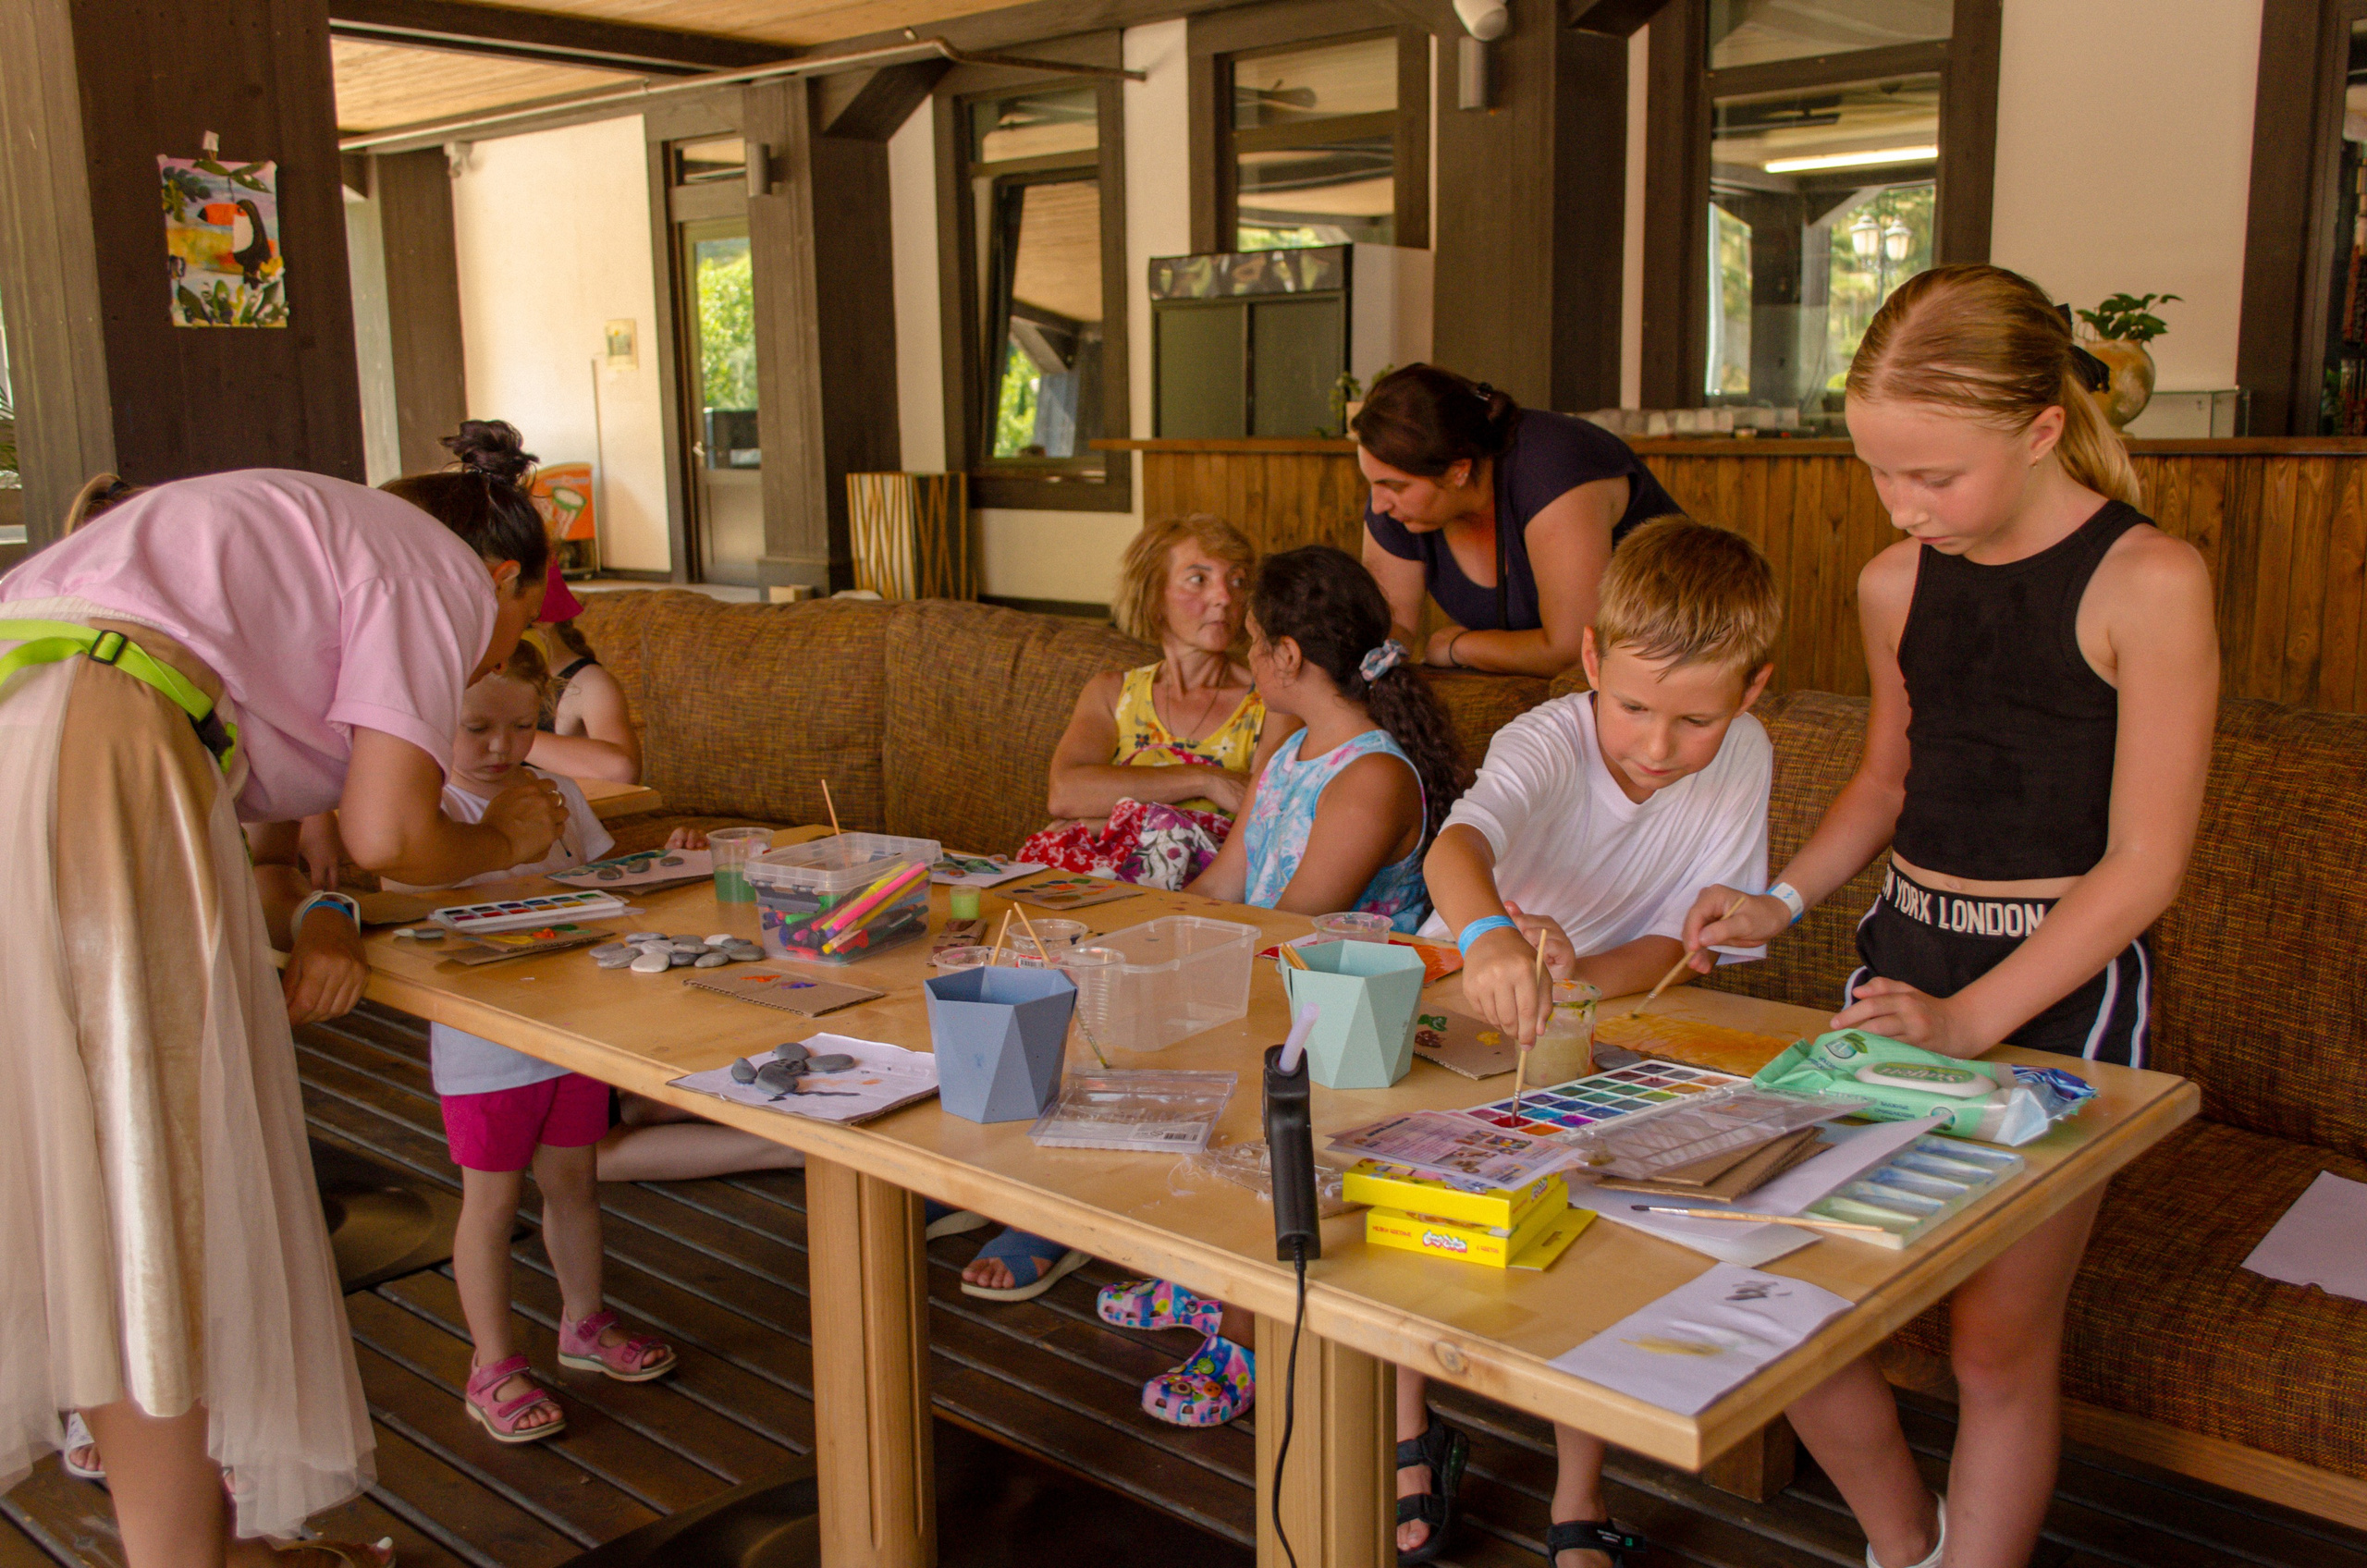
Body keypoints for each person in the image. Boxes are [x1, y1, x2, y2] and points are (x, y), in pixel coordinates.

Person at [1678, 264, 2216, 1568]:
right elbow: (1888, 780)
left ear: (2040, 428)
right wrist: (1784, 898)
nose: (1907, 509)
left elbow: (2146, 867)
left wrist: (1971, 1019)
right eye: (1881, 475)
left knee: (1994, 1344)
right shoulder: (1894, 583)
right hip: (1902, 963)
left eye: (1936, 477)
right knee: (1785, 1292)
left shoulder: (2150, 581)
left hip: (2063, 996)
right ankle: (1898, 1545)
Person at [0, 459, 571, 1568]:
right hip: (101, 742)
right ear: (502, 576)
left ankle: (186, 1532)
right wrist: (510, 835)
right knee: (150, 1191)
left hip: (34, 732)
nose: (495, 658)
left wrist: (323, 910)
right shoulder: (441, 569)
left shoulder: (311, 551)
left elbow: (314, 844)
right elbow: (393, 835)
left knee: (87, 1173)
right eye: (519, 626)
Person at [1409, 516, 1784, 1567]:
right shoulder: (1545, 738)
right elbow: (1459, 847)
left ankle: (1579, 1493)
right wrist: (1491, 937)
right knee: (1405, 1206)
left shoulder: (1743, 756)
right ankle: (1410, 1432)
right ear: (1589, 663)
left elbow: (1674, 941)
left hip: (1590, 1014)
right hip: (1455, 991)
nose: (1656, 747)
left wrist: (1569, 973)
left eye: (1694, 720)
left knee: (1584, 1223)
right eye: (1630, 706)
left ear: (1751, 692)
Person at [1095, 545, 1466, 1428]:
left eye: (1256, 642)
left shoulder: (1372, 777)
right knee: (1144, 1041)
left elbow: (1297, 925)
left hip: (1335, 1024)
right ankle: (1207, 1274)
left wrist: (1199, 966)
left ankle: (1249, 1329)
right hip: (1269, 992)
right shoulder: (1293, 748)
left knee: (1255, 1116)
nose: (1246, 658)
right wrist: (1146, 937)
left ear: (1288, 659)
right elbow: (1230, 882)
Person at [384, 640, 677, 1441]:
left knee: (574, 1186)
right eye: (476, 726)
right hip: (484, 1042)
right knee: (492, 1204)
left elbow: (599, 877)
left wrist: (662, 866)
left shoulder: (549, 790)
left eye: (520, 727)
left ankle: (584, 1324)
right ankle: (493, 1364)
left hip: (570, 1025)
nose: (498, 748)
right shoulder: (423, 810)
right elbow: (406, 901)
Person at [1018, 514, 1294, 892]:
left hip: (1206, 893)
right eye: (1199, 579)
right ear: (1154, 595)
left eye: (1238, 581)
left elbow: (1263, 817)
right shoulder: (1112, 692)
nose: (1225, 597)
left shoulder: (1272, 700)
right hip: (1104, 887)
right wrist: (1206, 779)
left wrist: (1113, 812)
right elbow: (1066, 793)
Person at [1355, 364, 1680, 679]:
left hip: (1684, 665)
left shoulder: (1551, 470)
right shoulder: (1400, 504)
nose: (1379, 505)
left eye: (1394, 486)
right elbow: (1391, 629)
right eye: (1373, 483)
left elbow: (1573, 650)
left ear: (1459, 470)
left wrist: (1458, 647)